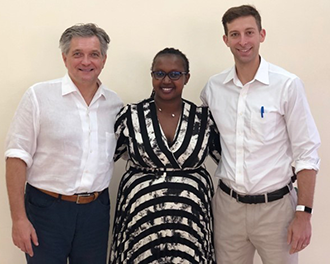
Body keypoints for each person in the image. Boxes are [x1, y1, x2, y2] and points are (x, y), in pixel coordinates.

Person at [200, 5, 321, 264]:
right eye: (234, 35)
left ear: (262, 34)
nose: (243, 41)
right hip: (227, 208)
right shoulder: (213, 88)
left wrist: (304, 213)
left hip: (276, 211)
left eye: (249, 32)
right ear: (226, 40)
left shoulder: (287, 85)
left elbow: (306, 153)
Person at [5, 23, 123, 264]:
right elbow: (16, 157)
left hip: (95, 212)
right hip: (47, 210)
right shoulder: (39, 96)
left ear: (104, 59)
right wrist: (19, 219)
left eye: (94, 54)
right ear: (64, 57)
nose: (86, 61)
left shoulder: (115, 104)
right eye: (77, 54)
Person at [109, 47, 221, 263]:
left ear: (187, 77)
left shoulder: (203, 119)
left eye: (175, 74)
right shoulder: (131, 116)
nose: (166, 80)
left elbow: (229, 159)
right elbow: (103, 158)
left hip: (191, 227)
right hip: (140, 225)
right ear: (152, 76)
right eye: (159, 73)